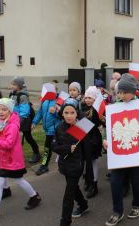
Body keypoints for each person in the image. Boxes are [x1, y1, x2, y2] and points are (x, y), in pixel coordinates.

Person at [103, 73, 139, 226]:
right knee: (115, 182)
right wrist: (105, 139)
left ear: (133, 91)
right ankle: (117, 211)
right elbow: (108, 128)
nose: (122, 95)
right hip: (119, 155)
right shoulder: (113, 107)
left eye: (125, 92)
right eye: (120, 92)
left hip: (136, 154)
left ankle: (138, 205)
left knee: (136, 181)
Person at [0, 98, 41, 220]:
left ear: (10, 110)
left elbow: (8, 144)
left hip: (13, 160)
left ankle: (34, 196)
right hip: (3, 159)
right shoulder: (0, 122)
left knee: (19, 180)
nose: (1, 112)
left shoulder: (12, 125)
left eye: (4, 109)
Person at [52, 98, 88, 226]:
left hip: (77, 166)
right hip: (65, 165)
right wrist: (68, 148)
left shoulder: (82, 126)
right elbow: (54, 146)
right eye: (66, 113)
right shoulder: (59, 128)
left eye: (72, 112)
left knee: (68, 195)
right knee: (72, 188)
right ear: (62, 113)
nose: (69, 116)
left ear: (77, 113)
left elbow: (89, 146)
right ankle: (83, 204)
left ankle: (65, 221)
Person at [9, 76, 41, 164]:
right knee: (12, 138)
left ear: (19, 85)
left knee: (28, 137)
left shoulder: (23, 96)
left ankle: (37, 153)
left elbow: (24, 112)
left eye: (14, 84)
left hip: (24, 120)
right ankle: (13, 155)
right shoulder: (12, 94)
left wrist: (17, 122)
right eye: (11, 84)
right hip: (14, 120)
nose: (11, 86)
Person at [31, 86, 61, 175]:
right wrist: (34, 122)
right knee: (51, 148)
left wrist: (55, 112)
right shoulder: (44, 100)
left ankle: (44, 166)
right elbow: (40, 112)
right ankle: (45, 165)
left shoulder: (59, 101)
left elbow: (64, 115)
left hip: (55, 129)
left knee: (48, 148)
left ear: (55, 91)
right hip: (47, 129)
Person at [81, 86, 103, 198]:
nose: (88, 100)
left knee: (93, 161)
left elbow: (97, 123)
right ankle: (88, 180)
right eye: (86, 97)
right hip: (84, 138)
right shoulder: (83, 107)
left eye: (91, 98)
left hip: (93, 139)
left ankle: (94, 184)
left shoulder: (95, 110)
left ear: (95, 99)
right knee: (86, 161)